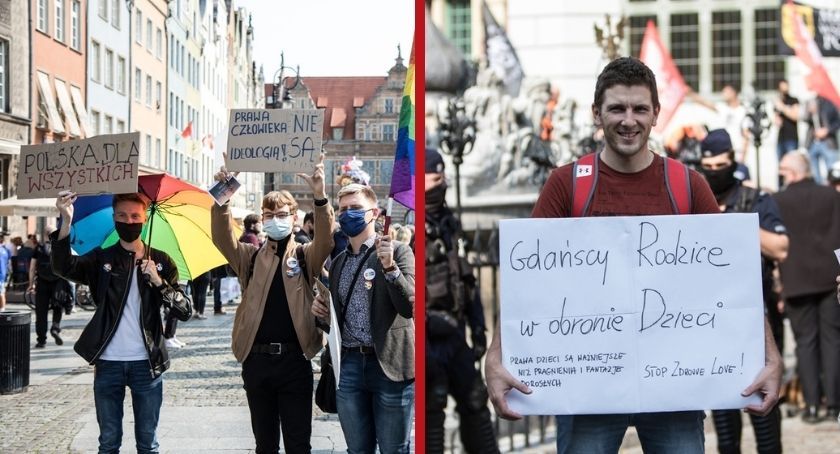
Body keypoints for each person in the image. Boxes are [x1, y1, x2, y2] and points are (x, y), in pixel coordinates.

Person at [485, 57, 783, 453]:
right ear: (597, 114)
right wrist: (496, 355)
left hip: (673, 385)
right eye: (617, 108)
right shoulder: (566, 185)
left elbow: (733, 282)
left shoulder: (687, 185)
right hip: (587, 386)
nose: (629, 120)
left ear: (656, 114)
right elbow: (529, 283)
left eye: (640, 108)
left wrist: (769, 355)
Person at [51, 191, 192, 453]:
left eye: (135, 216)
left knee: (147, 443)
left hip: (147, 363)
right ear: (114, 219)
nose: (129, 221)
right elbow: (63, 267)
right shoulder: (101, 258)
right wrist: (66, 222)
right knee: (108, 442)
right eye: (123, 216)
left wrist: (159, 283)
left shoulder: (161, 262)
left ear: (145, 220)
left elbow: (184, 310)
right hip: (108, 363)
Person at [210, 155, 334, 454]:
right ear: (262, 219)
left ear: (294, 217)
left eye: (281, 213)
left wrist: (320, 197)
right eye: (268, 214)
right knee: (264, 445)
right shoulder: (250, 257)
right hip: (257, 362)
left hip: (295, 361)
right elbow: (222, 238)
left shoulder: (305, 256)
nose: (274, 219)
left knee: (298, 444)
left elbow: (327, 240)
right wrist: (223, 192)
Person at [698, 129, 789, 453]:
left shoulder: (754, 200)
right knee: (725, 435)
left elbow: (780, 247)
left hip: (758, 325)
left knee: (767, 433)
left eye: (720, 165)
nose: (713, 172)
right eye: (707, 166)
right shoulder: (696, 200)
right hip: (713, 330)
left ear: (733, 162)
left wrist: (735, 227)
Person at [311, 183, 416, 454]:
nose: (348, 214)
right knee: (357, 450)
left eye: (355, 209)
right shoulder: (338, 264)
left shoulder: (399, 252)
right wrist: (322, 316)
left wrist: (390, 267)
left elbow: (409, 307)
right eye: (343, 209)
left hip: (389, 365)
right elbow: (336, 320)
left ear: (374, 213)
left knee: (394, 449)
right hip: (350, 365)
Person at [425, 148, 498, 453]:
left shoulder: (450, 224)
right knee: (432, 412)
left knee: (475, 403)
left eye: (443, 178)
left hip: (455, 335)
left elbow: (466, 278)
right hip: (428, 338)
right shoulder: (413, 225)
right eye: (435, 177)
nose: (441, 184)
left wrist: (479, 328)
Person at [773, 150, 840, 423]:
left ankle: (812, 405)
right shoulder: (832, 196)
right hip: (829, 277)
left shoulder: (778, 200)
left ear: (793, 173)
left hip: (796, 279)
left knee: (805, 344)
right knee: (833, 341)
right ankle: (834, 404)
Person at [28, 230, 71, 347]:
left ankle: (41, 340)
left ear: (45, 234)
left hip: (42, 283)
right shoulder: (61, 247)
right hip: (58, 282)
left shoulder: (39, 248)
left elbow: (32, 268)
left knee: (41, 312)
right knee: (58, 306)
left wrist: (31, 284)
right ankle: (55, 328)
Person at [804, 96, 840, 184]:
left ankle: (830, 192)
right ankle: (818, 192)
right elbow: (804, 119)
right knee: (814, 173)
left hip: (828, 142)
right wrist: (810, 112)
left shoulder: (830, 104)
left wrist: (827, 130)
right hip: (813, 142)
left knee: (831, 171)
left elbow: (837, 122)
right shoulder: (810, 101)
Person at [774, 79, 800, 162]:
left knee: (792, 162)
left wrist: (782, 107)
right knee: (781, 163)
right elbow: (777, 121)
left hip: (791, 137)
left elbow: (795, 116)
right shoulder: (778, 101)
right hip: (781, 138)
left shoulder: (793, 100)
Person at [0, 235, 9, 311]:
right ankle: (2, 309)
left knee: (1, 293)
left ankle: (2, 309)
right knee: (2, 292)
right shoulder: (5, 250)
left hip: (1, 274)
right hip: (3, 274)